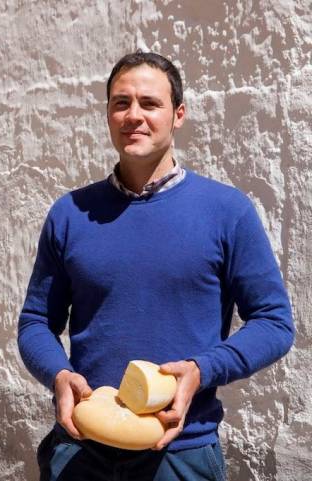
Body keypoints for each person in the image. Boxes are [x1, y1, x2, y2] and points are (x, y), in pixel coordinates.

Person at [17, 51, 295, 481]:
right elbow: (36, 321)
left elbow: (275, 322)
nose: (134, 116)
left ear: (178, 114)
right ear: (108, 114)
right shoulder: (69, 214)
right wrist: (59, 374)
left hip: (180, 456)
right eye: (121, 103)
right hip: (80, 454)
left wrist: (203, 369)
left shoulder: (227, 212)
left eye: (150, 103)